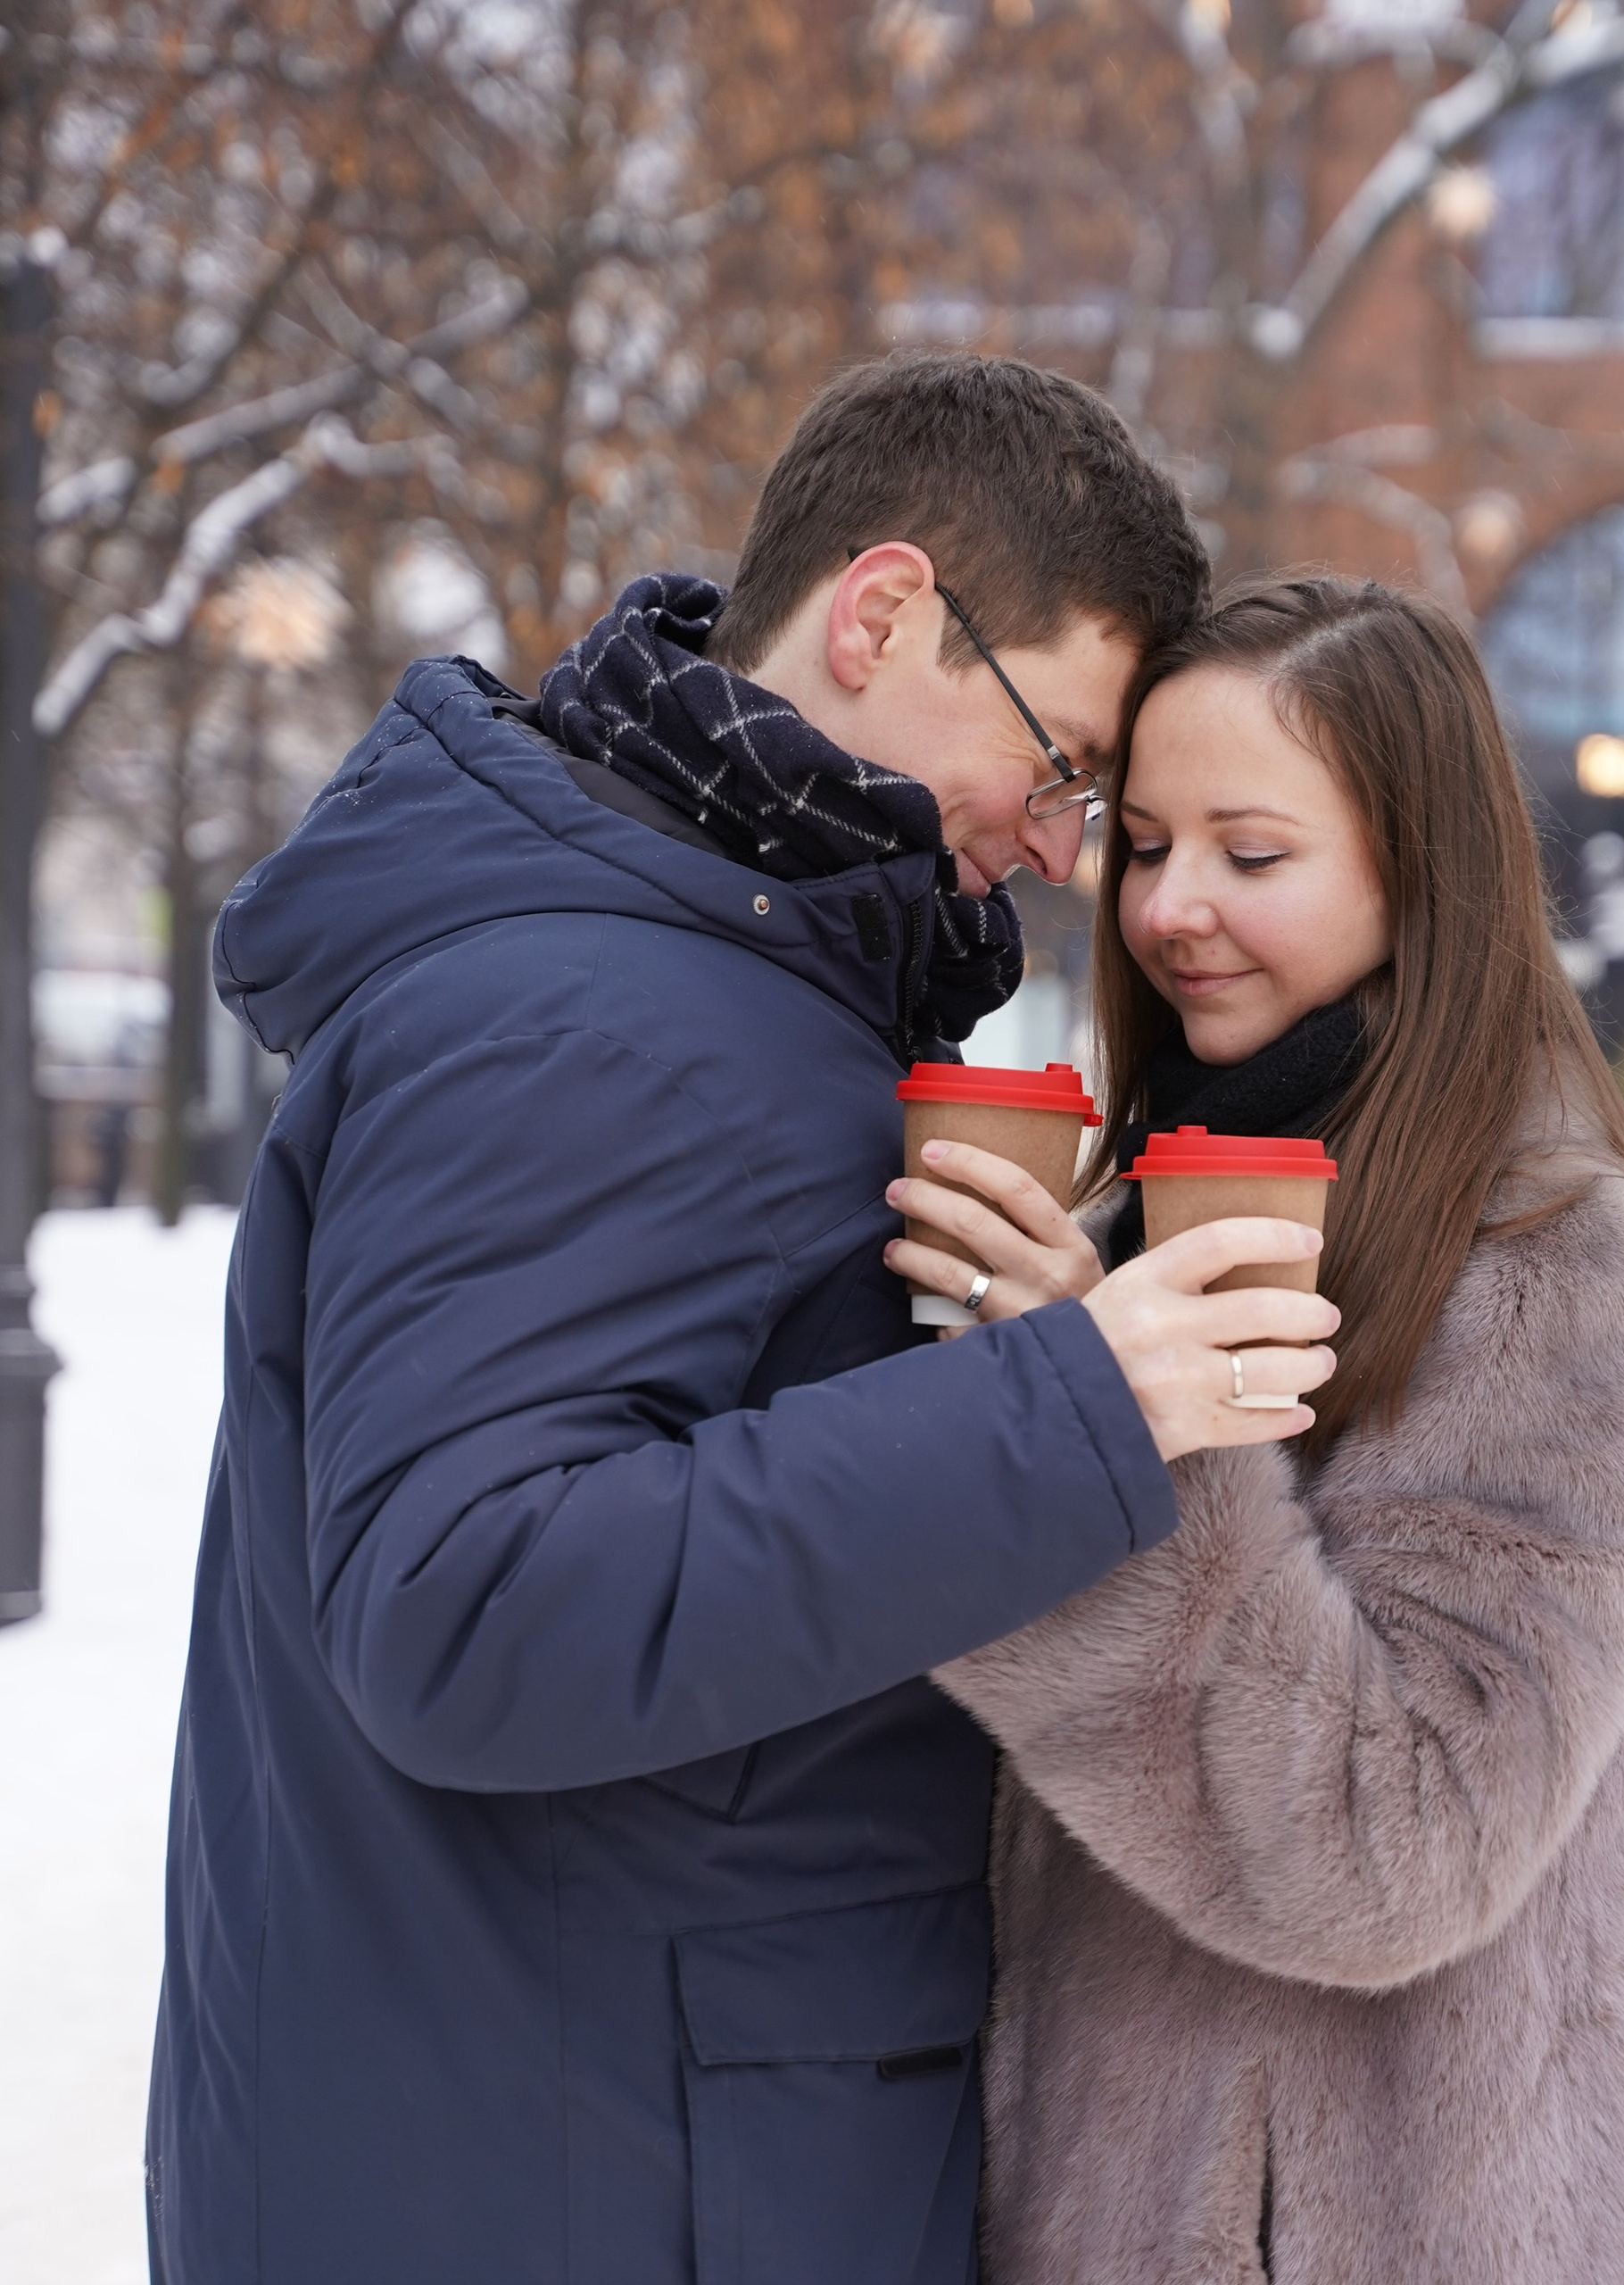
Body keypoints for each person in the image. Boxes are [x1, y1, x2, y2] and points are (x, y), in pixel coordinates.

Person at [145, 356, 1341, 2285]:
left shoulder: (709, 957)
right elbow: (465, 1601)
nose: (1062, 849)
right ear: (881, 614)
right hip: (591, 2174)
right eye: (1060, 762)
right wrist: (1070, 1409)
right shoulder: (588, 1008)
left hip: (601, 2135)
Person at [890, 577, 1624, 2285]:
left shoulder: (1555, 1264)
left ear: (1419, 873)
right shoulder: (1138, 1210)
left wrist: (1085, 1436)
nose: (1172, 907)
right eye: (1142, 843)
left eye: (1251, 856)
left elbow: (1393, 1845)